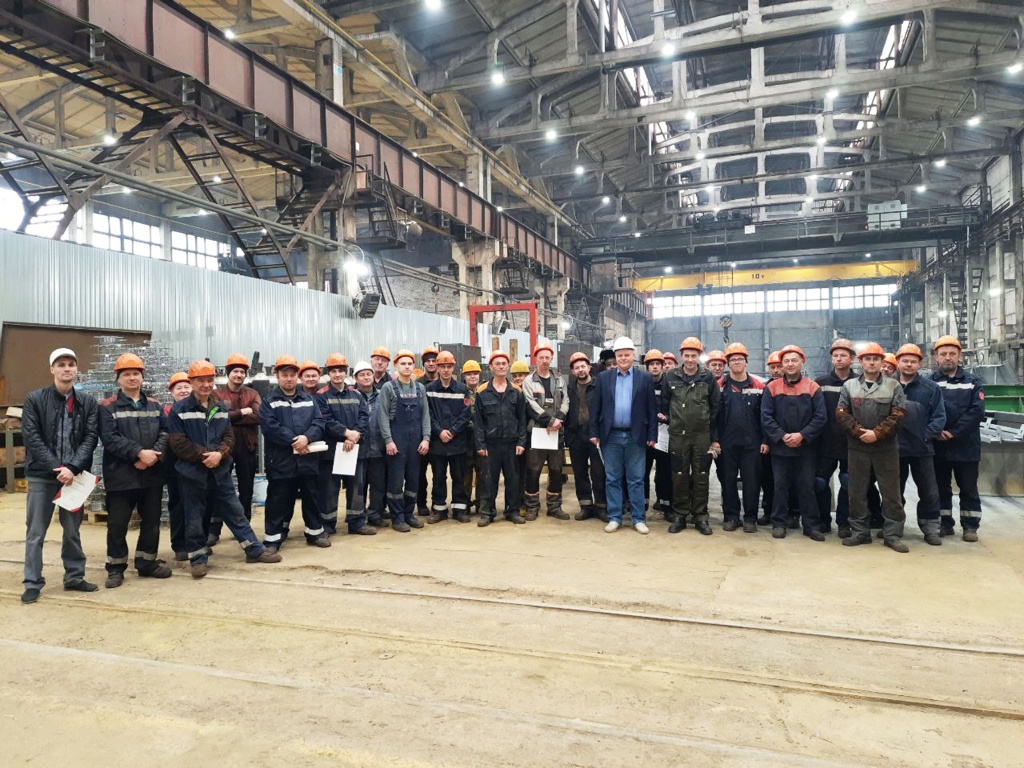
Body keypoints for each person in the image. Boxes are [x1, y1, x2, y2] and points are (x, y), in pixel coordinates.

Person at [167, 360, 281, 578]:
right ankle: (198, 559)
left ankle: (253, 549)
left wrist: (219, 454)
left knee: (235, 511)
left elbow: (228, 436)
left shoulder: (219, 407)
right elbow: (178, 443)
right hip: (192, 474)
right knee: (194, 517)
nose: (206, 385)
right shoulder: (180, 410)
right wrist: (205, 456)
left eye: (209, 380)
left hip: (219, 471)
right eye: (201, 381)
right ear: (191, 382)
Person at [20, 348, 100, 603]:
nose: (67, 368)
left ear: (76, 369)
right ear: (52, 369)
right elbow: (32, 438)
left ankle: (74, 577)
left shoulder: (87, 402)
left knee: (72, 531)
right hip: (42, 477)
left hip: (74, 478)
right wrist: (58, 468)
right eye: (61, 364)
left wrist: (73, 468)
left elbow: (90, 437)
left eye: (71, 364)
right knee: (36, 532)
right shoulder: (35, 399)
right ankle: (32, 582)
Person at [97, 353, 171, 589]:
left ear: (142, 377)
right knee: (117, 525)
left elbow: (166, 433)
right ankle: (115, 568)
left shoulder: (155, 405)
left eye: (136, 373)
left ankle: (146, 563)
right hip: (121, 476)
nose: (132, 378)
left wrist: (152, 457)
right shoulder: (107, 407)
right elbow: (110, 438)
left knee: (151, 522)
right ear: (118, 379)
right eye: (126, 374)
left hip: (151, 474)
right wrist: (139, 453)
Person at [836, 342, 908, 553]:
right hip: (857, 448)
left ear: (881, 362)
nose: (872, 362)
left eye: (876, 359)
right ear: (861, 362)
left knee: (891, 492)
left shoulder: (893, 386)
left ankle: (892, 534)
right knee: (856, 492)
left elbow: (899, 414)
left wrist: (877, 433)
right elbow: (841, 413)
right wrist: (860, 433)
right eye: (867, 358)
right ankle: (860, 532)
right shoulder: (849, 386)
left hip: (886, 449)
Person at [259, 354, 329, 551]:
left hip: (308, 459)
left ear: (297, 376)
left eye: (292, 375)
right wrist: (294, 441)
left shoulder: (309, 399)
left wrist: (306, 438)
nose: (288, 379)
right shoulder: (269, 401)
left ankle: (314, 532)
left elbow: (319, 422)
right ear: (277, 377)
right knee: (278, 500)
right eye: (284, 375)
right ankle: (273, 539)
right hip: (281, 461)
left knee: (311, 497)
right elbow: (270, 427)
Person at [590, 337, 658, 534]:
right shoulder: (604, 378)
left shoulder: (644, 378)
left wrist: (652, 435)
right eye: (620, 355)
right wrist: (594, 432)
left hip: (636, 436)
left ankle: (638, 518)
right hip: (610, 436)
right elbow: (596, 408)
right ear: (616, 356)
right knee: (612, 478)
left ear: (633, 356)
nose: (623, 358)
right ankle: (614, 517)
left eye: (627, 355)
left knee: (636, 479)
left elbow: (651, 409)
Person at [760, 344, 827, 540]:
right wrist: (782, 436)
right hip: (780, 448)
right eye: (786, 361)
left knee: (806, 486)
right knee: (780, 486)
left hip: (806, 448)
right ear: (782, 364)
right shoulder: (772, 388)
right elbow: (766, 416)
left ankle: (811, 525)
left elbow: (820, 417)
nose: (790, 364)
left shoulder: (812, 387)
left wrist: (802, 435)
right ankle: (779, 523)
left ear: (802, 362)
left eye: (794, 360)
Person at [662, 337, 720, 536]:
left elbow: (715, 407)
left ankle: (700, 516)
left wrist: (711, 433)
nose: (690, 359)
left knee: (701, 475)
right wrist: (675, 421)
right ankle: (680, 515)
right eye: (686, 355)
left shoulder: (708, 377)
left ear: (699, 356)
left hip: (701, 436)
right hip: (678, 436)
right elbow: (664, 403)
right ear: (681, 356)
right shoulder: (670, 376)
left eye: (693, 355)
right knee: (679, 475)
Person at [931, 335, 985, 542]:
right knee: (940, 487)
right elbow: (926, 410)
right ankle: (944, 523)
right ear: (936, 357)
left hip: (966, 446)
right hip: (938, 446)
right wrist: (936, 431)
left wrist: (953, 432)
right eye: (943, 354)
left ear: (959, 356)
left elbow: (976, 412)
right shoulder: (929, 383)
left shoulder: (972, 382)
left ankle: (970, 526)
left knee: (968, 488)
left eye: (952, 354)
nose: (948, 357)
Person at [895, 343, 946, 546]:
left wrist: (926, 436)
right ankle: (894, 527)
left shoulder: (931, 388)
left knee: (929, 492)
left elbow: (939, 417)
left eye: (913, 361)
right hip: (894, 449)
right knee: (894, 491)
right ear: (898, 362)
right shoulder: (888, 386)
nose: (909, 364)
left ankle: (931, 528)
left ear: (920, 364)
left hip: (922, 449)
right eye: (905, 361)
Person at [317, 352, 373, 536]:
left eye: (340, 371)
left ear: (346, 372)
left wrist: (354, 436)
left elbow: (364, 417)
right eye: (333, 371)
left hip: (353, 449)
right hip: (331, 452)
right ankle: (327, 525)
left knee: (356, 488)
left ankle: (356, 523)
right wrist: (346, 433)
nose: (337, 374)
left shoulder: (356, 395)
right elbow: (325, 420)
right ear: (328, 373)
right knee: (329, 490)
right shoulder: (321, 396)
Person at [715, 343, 765, 533]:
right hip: (726, 444)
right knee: (727, 481)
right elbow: (712, 416)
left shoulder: (759, 386)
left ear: (746, 362)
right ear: (728, 364)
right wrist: (714, 439)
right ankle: (731, 517)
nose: (737, 362)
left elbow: (765, 416)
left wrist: (765, 440)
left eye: (740, 359)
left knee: (752, 482)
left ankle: (750, 518)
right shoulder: (719, 386)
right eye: (733, 359)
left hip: (751, 444)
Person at [211, 353, 261, 547]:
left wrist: (231, 416)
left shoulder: (252, 394)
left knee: (246, 488)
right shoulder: (217, 394)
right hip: (224, 446)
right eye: (235, 371)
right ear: (228, 373)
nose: (239, 375)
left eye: (242, 372)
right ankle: (213, 530)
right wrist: (242, 412)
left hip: (247, 446)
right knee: (218, 487)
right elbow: (216, 416)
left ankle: (244, 527)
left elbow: (258, 416)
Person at [379, 349, 431, 532]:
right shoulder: (388, 388)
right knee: (395, 481)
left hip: (416, 441)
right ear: (396, 366)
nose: (407, 367)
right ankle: (397, 517)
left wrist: (426, 439)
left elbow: (425, 416)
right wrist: (388, 440)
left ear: (414, 366)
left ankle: (409, 514)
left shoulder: (420, 388)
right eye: (403, 363)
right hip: (397, 441)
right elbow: (383, 416)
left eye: (410, 363)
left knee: (413, 480)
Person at [474, 350, 528, 526]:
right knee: (489, 480)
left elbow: (522, 419)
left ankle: (512, 511)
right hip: (491, 445)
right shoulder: (482, 391)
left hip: (511, 444)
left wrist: (521, 442)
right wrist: (480, 444)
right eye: (497, 364)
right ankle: (487, 512)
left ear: (508, 366)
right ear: (491, 367)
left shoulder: (516, 391)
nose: (501, 366)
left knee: (513, 480)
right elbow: (478, 421)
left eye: (504, 363)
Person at [522, 342, 569, 521]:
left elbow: (566, 401)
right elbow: (530, 404)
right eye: (541, 357)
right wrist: (549, 421)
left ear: (551, 358)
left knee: (556, 470)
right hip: (537, 432)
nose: (544, 360)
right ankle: (532, 507)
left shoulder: (559, 380)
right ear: (536, 359)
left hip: (556, 432)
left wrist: (559, 419)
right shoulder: (529, 381)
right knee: (533, 470)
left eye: (547, 357)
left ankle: (554, 506)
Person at [814, 339, 857, 538]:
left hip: (851, 443)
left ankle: (844, 523)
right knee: (820, 483)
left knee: (848, 483)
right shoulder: (820, 383)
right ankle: (823, 520)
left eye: (843, 355)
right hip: (825, 442)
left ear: (852, 358)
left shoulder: (860, 382)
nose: (838, 359)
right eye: (835, 356)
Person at [425, 351, 472, 523]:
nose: (446, 370)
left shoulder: (462, 389)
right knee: (438, 477)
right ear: (437, 368)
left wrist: (452, 431)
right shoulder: (429, 390)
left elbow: (465, 415)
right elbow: (427, 414)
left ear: (453, 368)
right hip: (438, 443)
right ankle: (439, 510)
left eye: (449, 366)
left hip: (457, 442)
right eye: (442, 366)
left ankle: (459, 509)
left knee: (458, 477)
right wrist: (439, 431)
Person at [564, 352, 606, 522]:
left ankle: (602, 507)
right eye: (577, 367)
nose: (580, 370)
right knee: (580, 473)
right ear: (573, 371)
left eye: (583, 366)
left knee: (599, 472)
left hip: (595, 435)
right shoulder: (570, 388)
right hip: (576, 435)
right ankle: (586, 506)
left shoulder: (599, 385)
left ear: (589, 367)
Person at [353, 361, 387, 528]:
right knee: (358, 487)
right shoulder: (351, 396)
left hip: (378, 448)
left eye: (368, 374)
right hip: (357, 450)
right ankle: (358, 517)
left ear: (373, 376)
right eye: (362, 375)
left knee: (378, 485)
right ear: (356, 378)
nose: (366, 377)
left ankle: (375, 514)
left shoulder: (383, 395)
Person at [642, 350, 673, 522]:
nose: (655, 367)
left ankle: (665, 505)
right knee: (642, 471)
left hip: (665, 434)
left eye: (658, 364)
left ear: (662, 366)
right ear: (647, 367)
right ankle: (642, 504)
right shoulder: (642, 384)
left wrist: (667, 417)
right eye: (652, 364)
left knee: (664, 473)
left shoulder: (669, 385)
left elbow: (676, 406)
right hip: (646, 434)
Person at [164, 372, 192, 561]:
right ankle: (180, 545)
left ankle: (197, 542)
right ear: (172, 392)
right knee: (178, 505)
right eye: (178, 388)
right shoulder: (166, 412)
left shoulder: (200, 410)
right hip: (174, 466)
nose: (183, 391)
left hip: (196, 465)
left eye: (186, 387)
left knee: (198, 505)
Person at [757, 349, 784, 526]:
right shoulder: (764, 389)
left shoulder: (795, 387)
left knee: (788, 480)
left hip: (788, 441)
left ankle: (792, 512)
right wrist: (764, 440)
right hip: (769, 442)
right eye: (772, 367)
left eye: (779, 366)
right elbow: (761, 418)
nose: (776, 370)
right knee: (768, 479)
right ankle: (768, 511)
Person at [416, 346, 441, 515]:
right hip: (422, 436)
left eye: (434, 361)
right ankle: (421, 504)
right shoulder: (417, 384)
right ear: (423, 364)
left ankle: (438, 505)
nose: (431, 364)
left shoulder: (446, 381)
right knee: (420, 473)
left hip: (439, 437)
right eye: (428, 361)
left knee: (439, 474)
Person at [461, 359, 487, 516]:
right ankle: (464, 504)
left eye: (475, 374)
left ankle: (481, 504)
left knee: (482, 472)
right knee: (465, 473)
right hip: (465, 438)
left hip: (482, 438)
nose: (472, 376)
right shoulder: (460, 392)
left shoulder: (485, 391)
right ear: (464, 376)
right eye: (469, 374)